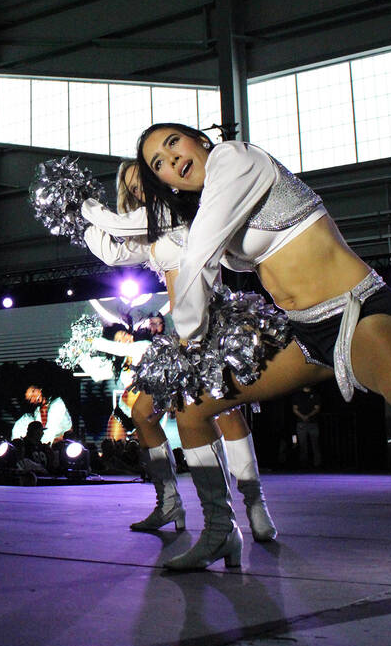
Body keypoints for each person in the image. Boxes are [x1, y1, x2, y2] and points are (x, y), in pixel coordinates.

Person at [125, 122, 391, 602]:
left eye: (173, 144)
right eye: (158, 164)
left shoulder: (236, 158)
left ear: (201, 140)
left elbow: (198, 261)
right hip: (304, 333)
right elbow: (138, 242)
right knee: (192, 409)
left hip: (358, 311)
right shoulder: (207, 206)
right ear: (165, 182)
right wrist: (90, 215)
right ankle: (220, 531)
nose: (171, 160)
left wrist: (189, 333)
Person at [82, 161, 279, 541]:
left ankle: (254, 505)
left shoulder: (182, 211)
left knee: (227, 413)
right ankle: (169, 500)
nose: (139, 190)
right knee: (142, 412)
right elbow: (114, 254)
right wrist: (80, 218)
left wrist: (89, 206)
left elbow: (122, 226)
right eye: (131, 186)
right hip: (182, 336)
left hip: (216, 325)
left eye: (143, 181)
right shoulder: (148, 229)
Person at [291, 385, 323, 468]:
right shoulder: (298, 395)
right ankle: (304, 463)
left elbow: (317, 408)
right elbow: (295, 409)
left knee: (315, 443)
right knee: (302, 444)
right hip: (301, 423)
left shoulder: (315, 394)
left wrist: (308, 416)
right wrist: (303, 417)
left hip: (313, 422)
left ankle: (317, 463)